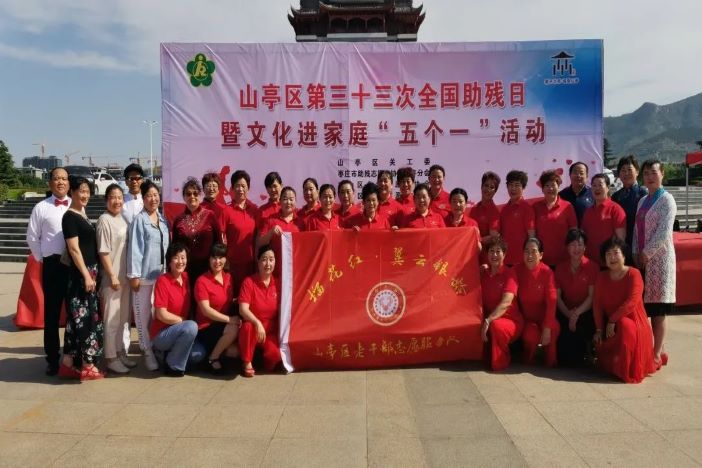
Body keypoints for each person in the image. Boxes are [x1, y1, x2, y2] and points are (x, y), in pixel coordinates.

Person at [26, 167, 71, 375]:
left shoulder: (76, 204)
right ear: (50, 183)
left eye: (64, 178)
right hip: (52, 265)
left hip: (73, 265)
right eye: (56, 178)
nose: (60, 182)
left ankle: (72, 355)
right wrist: (42, 258)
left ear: (68, 183)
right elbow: (32, 237)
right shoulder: (41, 207)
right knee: (52, 314)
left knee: (74, 312)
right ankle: (52, 359)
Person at [594, 237, 657, 383]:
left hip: (635, 323)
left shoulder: (634, 274)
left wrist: (612, 320)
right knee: (601, 343)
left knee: (625, 324)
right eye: (608, 254)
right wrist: (599, 329)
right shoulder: (601, 277)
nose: (612, 257)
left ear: (624, 255)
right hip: (613, 326)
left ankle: (625, 370)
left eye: (616, 253)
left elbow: (632, 302)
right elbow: (597, 305)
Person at [633, 159, 676, 368]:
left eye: (653, 172)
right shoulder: (643, 200)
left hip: (659, 261)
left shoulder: (667, 200)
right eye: (646, 173)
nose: (650, 177)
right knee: (646, 308)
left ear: (662, 174)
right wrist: (635, 252)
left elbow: (664, 232)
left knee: (658, 311)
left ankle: (657, 354)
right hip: (642, 262)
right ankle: (659, 350)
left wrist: (647, 253)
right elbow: (636, 229)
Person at [60, 176, 104, 380]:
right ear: (72, 192)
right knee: (85, 320)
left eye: (87, 191)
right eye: (81, 191)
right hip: (81, 274)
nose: (85, 195)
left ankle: (68, 363)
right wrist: (86, 275)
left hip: (89, 272)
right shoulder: (69, 217)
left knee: (75, 320)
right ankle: (87, 365)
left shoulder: (81, 214)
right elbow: (74, 250)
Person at [127, 180, 169, 371]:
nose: (153, 199)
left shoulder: (163, 220)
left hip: (161, 276)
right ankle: (146, 350)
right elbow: (135, 249)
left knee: (156, 315)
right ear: (143, 199)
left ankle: (156, 346)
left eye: (155, 195)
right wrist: (134, 275)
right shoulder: (139, 220)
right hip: (143, 277)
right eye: (149, 196)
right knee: (142, 316)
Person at [97, 183, 136, 374]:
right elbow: (103, 252)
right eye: (113, 197)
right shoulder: (104, 220)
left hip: (125, 278)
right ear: (107, 200)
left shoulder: (123, 219)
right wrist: (112, 276)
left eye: (120, 197)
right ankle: (110, 357)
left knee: (122, 320)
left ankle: (120, 353)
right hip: (112, 279)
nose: (117, 201)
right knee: (111, 320)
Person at [151, 243, 203, 377]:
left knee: (199, 354)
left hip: (180, 330)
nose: (180, 261)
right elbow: (161, 314)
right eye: (176, 258)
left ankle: (165, 356)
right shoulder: (163, 280)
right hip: (163, 333)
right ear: (169, 261)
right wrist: (183, 321)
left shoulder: (186, 278)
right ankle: (173, 366)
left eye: (183, 257)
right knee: (191, 327)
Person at [194, 243, 241, 374]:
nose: (217, 261)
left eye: (221, 257)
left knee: (234, 352)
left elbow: (229, 300)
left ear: (226, 259)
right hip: (206, 327)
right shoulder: (202, 281)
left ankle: (215, 353)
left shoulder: (229, 278)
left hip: (222, 326)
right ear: (209, 259)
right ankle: (212, 359)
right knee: (233, 329)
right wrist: (229, 319)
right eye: (214, 257)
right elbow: (206, 310)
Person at [554, 228, 597, 366]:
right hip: (566, 311)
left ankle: (589, 350)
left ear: (585, 247)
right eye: (572, 245)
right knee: (564, 357)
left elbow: (591, 297)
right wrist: (569, 315)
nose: (576, 248)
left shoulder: (592, 267)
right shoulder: (560, 268)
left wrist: (576, 314)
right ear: (567, 247)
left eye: (580, 244)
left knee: (577, 358)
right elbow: (557, 297)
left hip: (584, 312)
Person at [480, 237, 524, 371]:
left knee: (496, 325)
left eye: (498, 251)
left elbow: (506, 302)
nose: (494, 255)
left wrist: (488, 320)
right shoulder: (483, 273)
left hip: (510, 320)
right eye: (491, 251)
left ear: (504, 254)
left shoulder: (510, 274)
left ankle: (502, 360)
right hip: (491, 319)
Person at [239, 244, 282, 377]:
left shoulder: (278, 283)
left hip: (270, 331)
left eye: (271, 259)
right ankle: (247, 362)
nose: (268, 264)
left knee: (275, 356)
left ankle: (262, 359)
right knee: (247, 327)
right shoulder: (249, 282)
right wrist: (257, 323)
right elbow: (243, 309)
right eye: (264, 259)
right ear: (258, 262)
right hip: (254, 329)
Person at [515, 238, 559, 367]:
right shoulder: (516, 270)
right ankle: (528, 358)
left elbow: (552, 300)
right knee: (531, 334)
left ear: (541, 255)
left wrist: (547, 327)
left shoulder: (547, 272)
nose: (529, 255)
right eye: (526, 251)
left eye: (533, 252)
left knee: (553, 327)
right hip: (526, 320)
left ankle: (551, 361)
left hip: (543, 318)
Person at [172, 177, 222, 286]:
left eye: (195, 193)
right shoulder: (178, 220)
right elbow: (174, 248)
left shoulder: (210, 215)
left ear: (200, 195)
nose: (192, 197)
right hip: (185, 271)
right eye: (188, 194)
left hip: (207, 271)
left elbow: (218, 244)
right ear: (184, 197)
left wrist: (218, 269)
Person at [222, 170, 259, 296]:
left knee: (248, 296)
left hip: (251, 264)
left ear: (248, 188)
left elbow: (258, 236)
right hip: (232, 265)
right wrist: (225, 260)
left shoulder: (254, 210)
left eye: (243, 186)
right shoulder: (226, 210)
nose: (240, 189)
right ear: (232, 188)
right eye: (237, 186)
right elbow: (221, 237)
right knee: (232, 297)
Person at [533, 170, 577, 267]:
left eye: (553, 185)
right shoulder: (536, 207)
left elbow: (573, 232)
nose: (550, 188)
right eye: (547, 185)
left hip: (563, 259)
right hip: (541, 259)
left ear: (558, 187)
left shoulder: (567, 206)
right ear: (542, 189)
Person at [581, 174, 626, 266]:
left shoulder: (616, 209)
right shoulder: (588, 212)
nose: (597, 188)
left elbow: (620, 240)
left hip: (609, 263)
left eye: (600, 185)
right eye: (594, 185)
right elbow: (583, 236)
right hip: (590, 263)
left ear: (608, 188)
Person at [612, 156, 647, 261]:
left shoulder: (644, 194)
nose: (626, 173)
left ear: (637, 172)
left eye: (629, 170)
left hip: (641, 245)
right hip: (620, 246)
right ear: (619, 174)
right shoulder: (616, 197)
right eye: (623, 170)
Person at [499, 170, 535, 266]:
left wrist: (530, 257)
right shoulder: (504, 209)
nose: (513, 188)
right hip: (505, 259)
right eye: (511, 185)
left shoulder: (527, 208)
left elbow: (531, 235)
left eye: (517, 185)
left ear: (523, 187)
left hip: (522, 260)